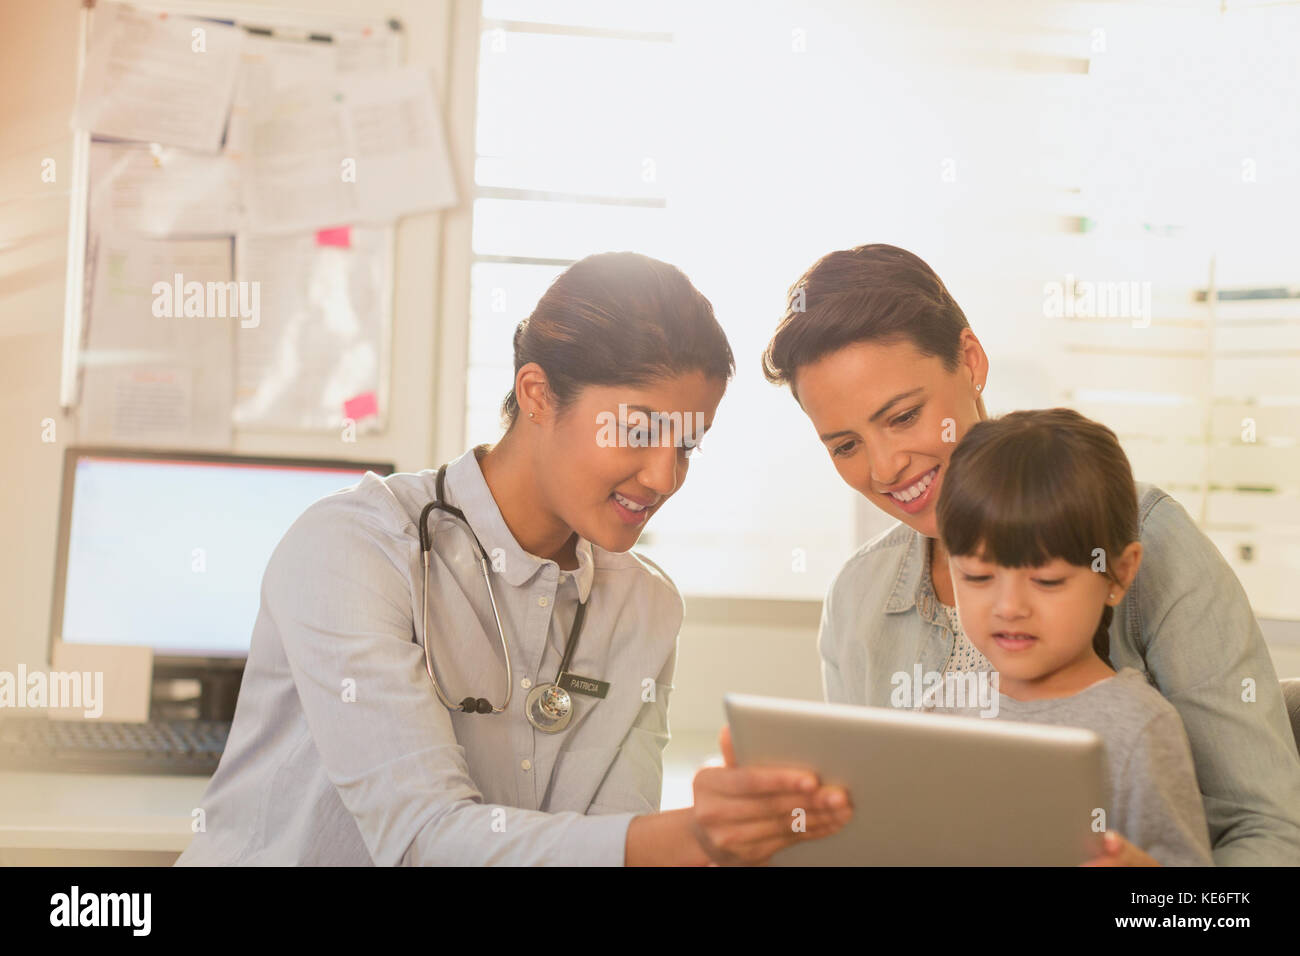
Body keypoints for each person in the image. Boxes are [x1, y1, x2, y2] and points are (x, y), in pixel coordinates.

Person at [177, 251, 850, 866]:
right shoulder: (355, 548)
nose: (664, 478)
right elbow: (419, 840)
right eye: (639, 432)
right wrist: (688, 838)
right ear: (536, 395)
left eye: (687, 447)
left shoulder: (644, 607)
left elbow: (614, 838)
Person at [760, 243, 1300, 865]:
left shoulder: (1146, 535)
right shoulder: (858, 597)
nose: (885, 467)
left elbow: (1268, 830)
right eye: (846, 445)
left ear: (970, 361)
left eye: (905, 416)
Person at [931, 407, 1213, 866]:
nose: (1009, 607)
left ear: (1118, 574)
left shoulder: (1138, 728)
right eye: (978, 577)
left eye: (1047, 581)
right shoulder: (942, 706)